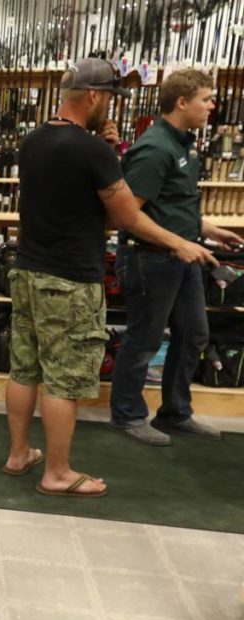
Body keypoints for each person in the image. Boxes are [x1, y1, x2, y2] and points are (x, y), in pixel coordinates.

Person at [5, 58, 217, 497]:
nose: (111, 109)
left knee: (24, 368)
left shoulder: (34, 141)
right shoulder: (91, 150)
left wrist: (109, 150)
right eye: (110, 99)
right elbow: (125, 216)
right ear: (94, 97)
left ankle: (19, 453)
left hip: (27, 270)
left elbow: (72, 193)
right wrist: (179, 242)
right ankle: (57, 473)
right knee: (64, 379)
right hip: (69, 278)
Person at [109, 68, 243, 445]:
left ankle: (175, 413)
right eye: (206, 98)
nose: (212, 106)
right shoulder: (154, 149)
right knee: (145, 338)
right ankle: (127, 415)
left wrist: (205, 228)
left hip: (180, 256)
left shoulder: (183, 144)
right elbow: (127, 214)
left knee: (194, 336)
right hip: (150, 258)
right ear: (181, 102)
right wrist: (178, 243)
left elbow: (171, 204)